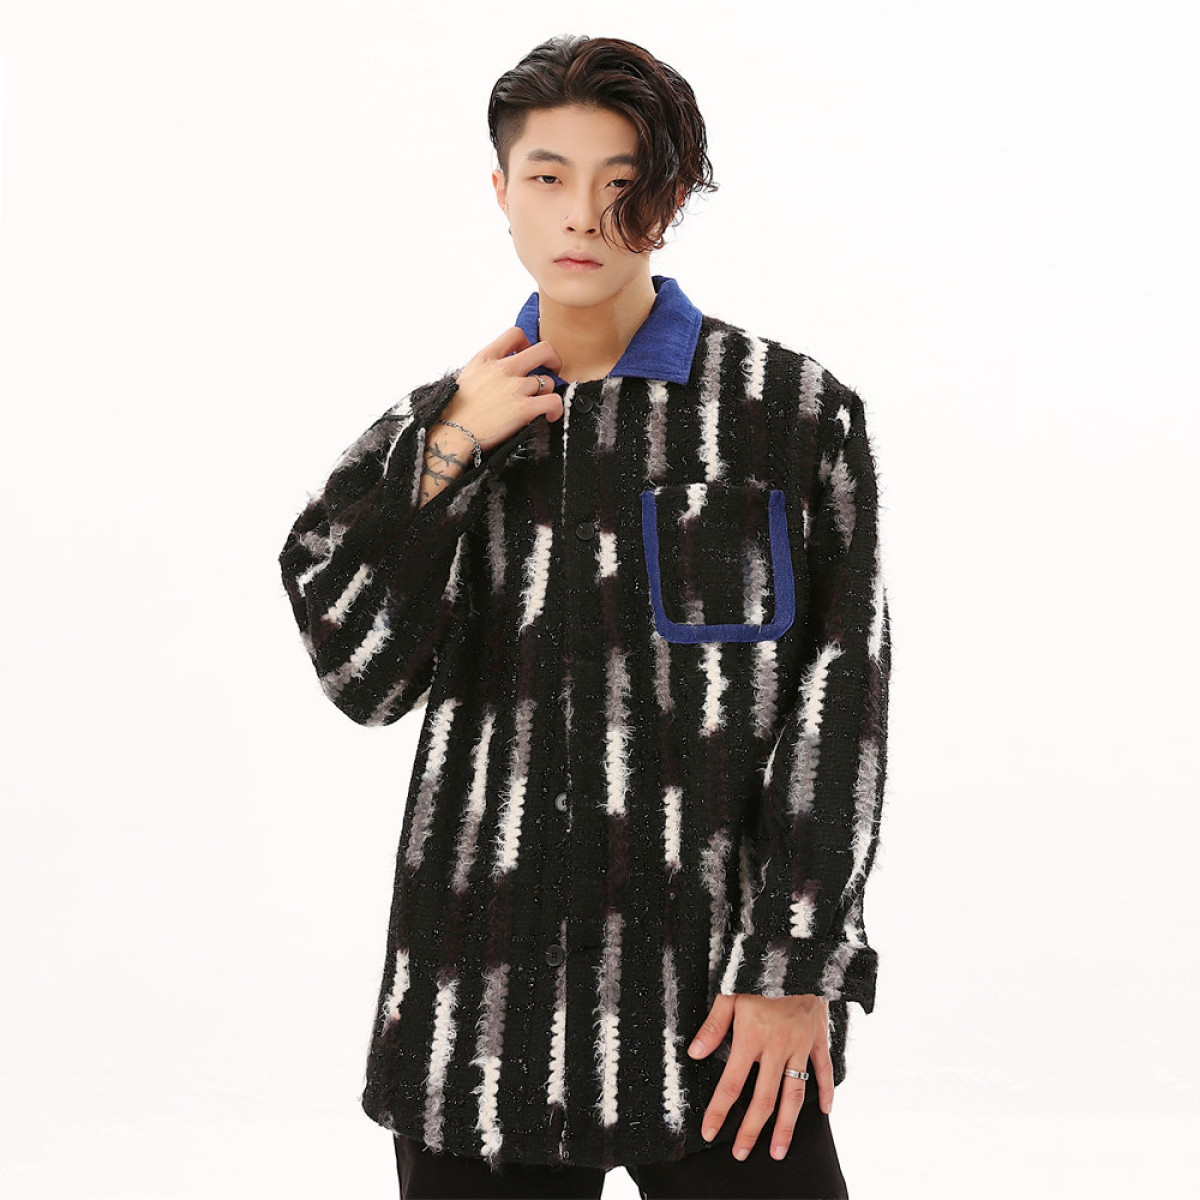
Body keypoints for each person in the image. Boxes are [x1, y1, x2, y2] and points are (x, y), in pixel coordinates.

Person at [278, 33, 891, 1200]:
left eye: (622, 182)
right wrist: (448, 455)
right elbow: (362, 677)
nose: (582, 217)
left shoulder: (792, 416)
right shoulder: (435, 427)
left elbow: (841, 697)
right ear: (500, 190)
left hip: (717, 1003)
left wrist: (794, 962)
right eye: (549, 176)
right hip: (474, 1006)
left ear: (670, 197)